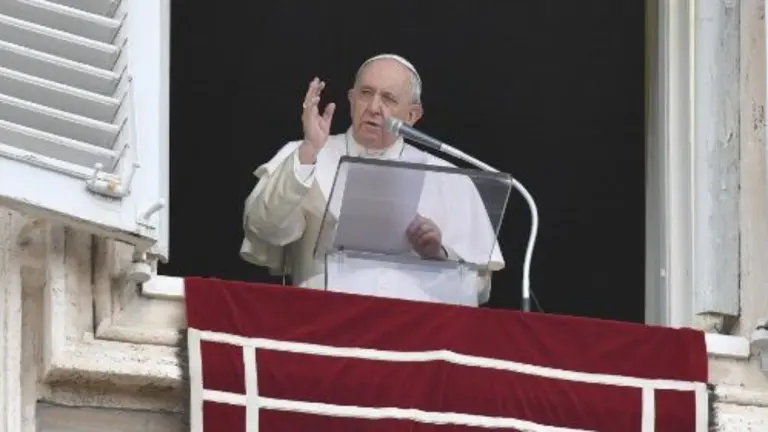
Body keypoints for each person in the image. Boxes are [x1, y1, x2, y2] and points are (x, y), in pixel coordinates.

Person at [240, 54, 505, 306]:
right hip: (324, 325)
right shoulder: (306, 155)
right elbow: (265, 229)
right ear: (352, 99)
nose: (374, 107)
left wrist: (438, 255)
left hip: (417, 336)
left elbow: (478, 287)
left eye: (388, 99)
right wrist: (309, 151)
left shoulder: (449, 179)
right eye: (366, 94)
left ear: (412, 115)